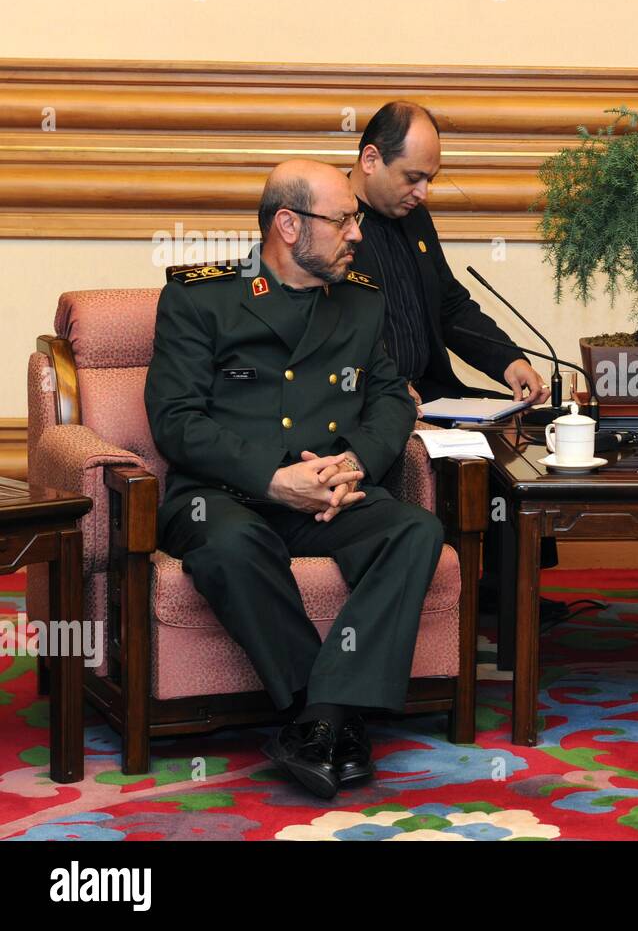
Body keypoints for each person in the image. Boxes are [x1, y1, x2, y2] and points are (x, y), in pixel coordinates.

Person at [145, 159, 444, 800]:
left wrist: (357, 462)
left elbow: (393, 397)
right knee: (230, 544)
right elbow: (176, 423)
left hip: (330, 495)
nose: (357, 233)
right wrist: (274, 480)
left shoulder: (361, 302)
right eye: (342, 220)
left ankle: (318, 722)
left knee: (415, 530)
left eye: (355, 219)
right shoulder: (201, 298)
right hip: (220, 497)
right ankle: (331, 714)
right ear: (288, 225)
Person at [346, 100, 549, 407]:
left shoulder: (416, 219)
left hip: (433, 397)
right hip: (368, 407)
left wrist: (509, 361)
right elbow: (325, 329)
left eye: (431, 179)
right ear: (371, 159)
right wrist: (383, 386)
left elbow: (450, 308)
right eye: (413, 178)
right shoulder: (329, 222)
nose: (423, 193)